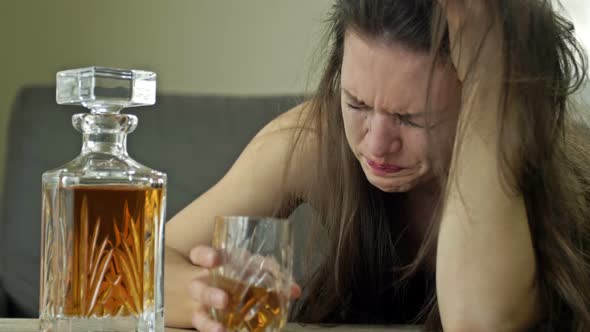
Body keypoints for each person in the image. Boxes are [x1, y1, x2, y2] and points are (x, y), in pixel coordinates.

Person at [164, 0, 590, 331]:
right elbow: (142, 262)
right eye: (357, 103)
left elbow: (480, 321)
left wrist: (489, 70)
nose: (376, 144)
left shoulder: (554, 166)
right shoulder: (313, 140)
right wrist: (198, 293)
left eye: (411, 118)